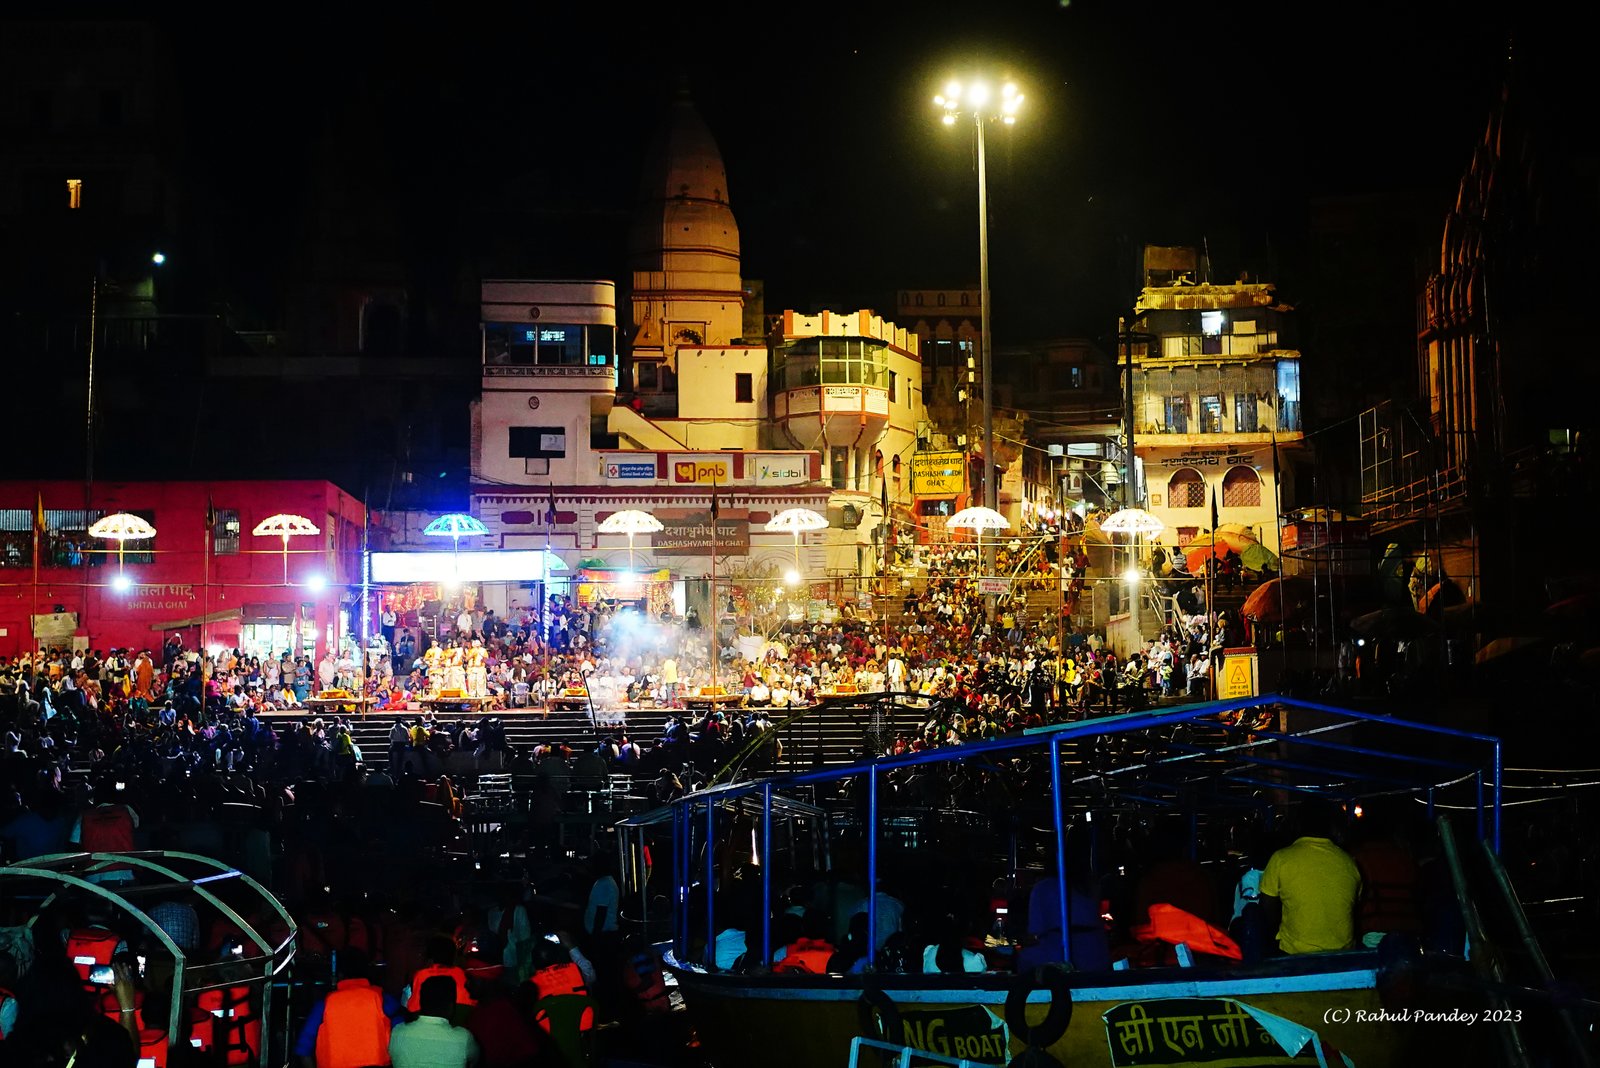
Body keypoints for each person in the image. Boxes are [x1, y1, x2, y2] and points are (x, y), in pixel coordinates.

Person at [1259, 801, 1363, 954]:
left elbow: (1267, 911)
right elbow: (1354, 907)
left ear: (1297, 825)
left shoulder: (1281, 858)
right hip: (1342, 955)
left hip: (1295, 955)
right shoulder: (1349, 861)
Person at [295, 949, 404, 1068]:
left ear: (339, 974)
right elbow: (403, 1038)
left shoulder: (324, 1005)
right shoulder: (384, 1000)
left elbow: (303, 1049)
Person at [390, 974, 482, 1068]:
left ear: (421, 1003)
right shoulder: (464, 1038)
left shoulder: (397, 1032)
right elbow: (475, 1061)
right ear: (451, 1006)